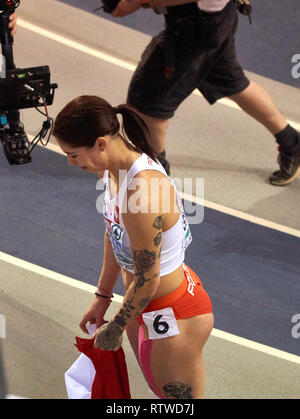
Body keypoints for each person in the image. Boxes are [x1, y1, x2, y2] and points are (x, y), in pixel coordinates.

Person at [53, 95, 214, 399]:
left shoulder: (141, 194)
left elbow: (147, 279)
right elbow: (113, 234)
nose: (70, 162)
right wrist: (102, 297)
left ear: (101, 143)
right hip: (145, 307)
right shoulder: (115, 171)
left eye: (73, 154)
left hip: (171, 314)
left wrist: (114, 327)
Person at [108, 0, 300, 186]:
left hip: (197, 29)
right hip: (214, 20)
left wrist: (140, 1)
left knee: (147, 104)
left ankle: (156, 175)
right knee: (232, 82)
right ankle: (292, 142)